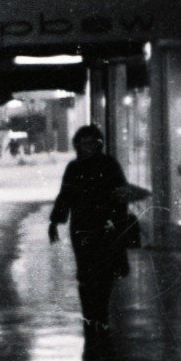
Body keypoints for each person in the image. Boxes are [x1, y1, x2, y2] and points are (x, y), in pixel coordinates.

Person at [48, 124, 131, 339]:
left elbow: (121, 194)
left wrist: (119, 220)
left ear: (99, 144)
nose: (88, 147)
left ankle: (100, 316)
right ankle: (90, 317)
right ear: (78, 145)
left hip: (105, 226)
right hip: (82, 227)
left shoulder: (110, 165)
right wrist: (55, 221)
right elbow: (65, 195)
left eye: (92, 142)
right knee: (85, 273)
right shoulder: (74, 168)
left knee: (104, 273)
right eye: (84, 143)